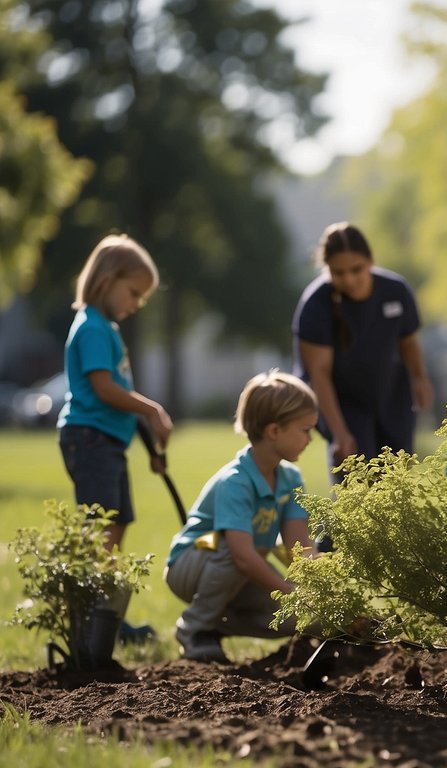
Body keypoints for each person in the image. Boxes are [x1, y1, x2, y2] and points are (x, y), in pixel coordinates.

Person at [57, 234, 173, 642]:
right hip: (89, 440)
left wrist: (151, 450)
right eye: (134, 292)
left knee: (116, 524)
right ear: (107, 279)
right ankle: (89, 621)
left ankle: (105, 617)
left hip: (107, 442)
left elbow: (118, 397)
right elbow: (106, 390)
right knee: (100, 531)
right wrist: (151, 409)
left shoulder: (105, 328)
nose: (137, 303)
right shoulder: (91, 327)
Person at [165, 371, 318, 662]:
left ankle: (218, 625)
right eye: (305, 429)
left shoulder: (290, 479)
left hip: (237, 567)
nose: (310, 438)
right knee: (236, 551)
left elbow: (301, 551)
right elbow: (243, 557)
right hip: (193, 562)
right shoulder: (236, 482)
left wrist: (322, 594)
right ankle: (195, 628)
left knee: (297, 618)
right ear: (274, 431)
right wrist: (289, 591)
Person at [293, 222, 433, 484]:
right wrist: (339, 432)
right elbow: (319, 374)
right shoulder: (316, 304)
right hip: (342, 404)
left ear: (370, 261)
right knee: (357, 482)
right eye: (338, 272)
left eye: (356, 270)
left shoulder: (396, 291)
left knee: (395, 484)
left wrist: (419, 377)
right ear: (327, 270)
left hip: (391, 396)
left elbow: (408, 342)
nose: (348, 279)